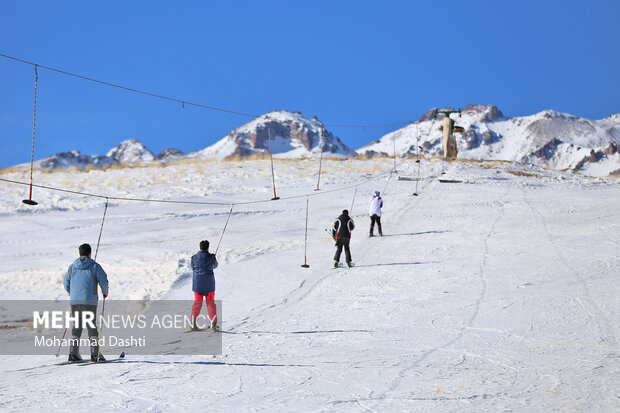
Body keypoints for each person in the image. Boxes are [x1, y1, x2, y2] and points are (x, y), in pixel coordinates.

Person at [63, 243, 109, 362]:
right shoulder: (94, 266)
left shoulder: (72, 266)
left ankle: (73, 354)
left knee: (77, 326)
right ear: (90, 253)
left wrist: (70, 293)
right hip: (89, 300)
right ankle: (95, 354)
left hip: (75, 301)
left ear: (79, 254)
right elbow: (103, 280)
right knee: (91, 326)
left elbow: (66, 283)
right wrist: (105, 292)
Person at [190, 240, 219, 331]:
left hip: (197, 284)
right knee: (210, 304)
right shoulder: (211, 257)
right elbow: (215, 266)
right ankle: (213, 324)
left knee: (197, 303)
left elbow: (193, 268)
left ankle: (193, 324)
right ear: (208, 247)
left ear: (200, 247)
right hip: (209, 285)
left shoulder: (194, 257)